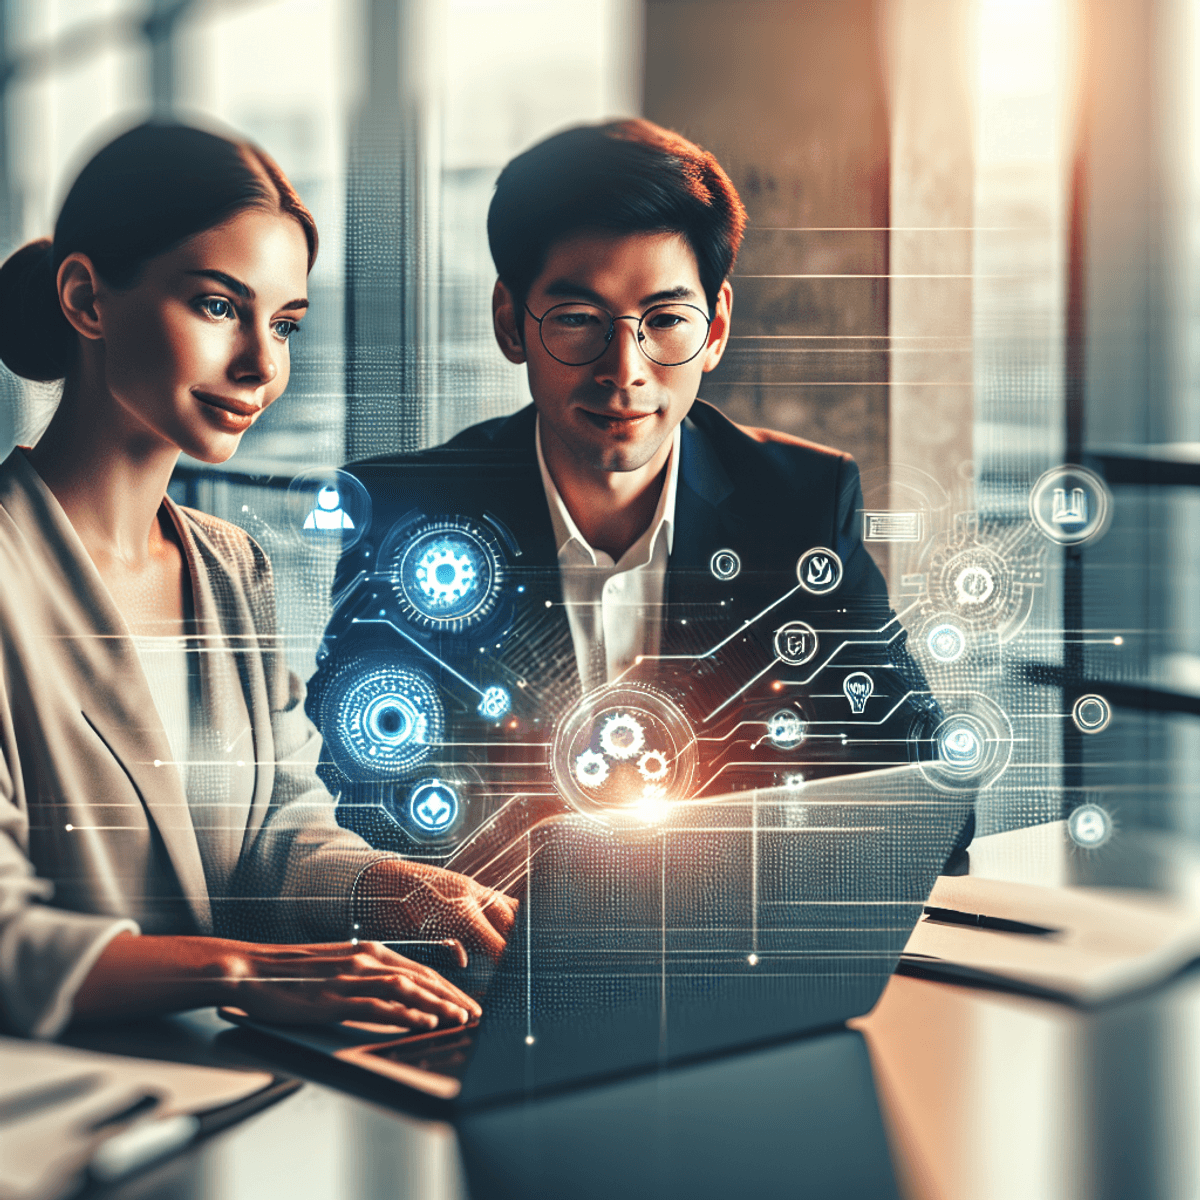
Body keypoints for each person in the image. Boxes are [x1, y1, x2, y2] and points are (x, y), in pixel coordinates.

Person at [311, 120, 967, 880]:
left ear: (715, 329)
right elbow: (359, 801)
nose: (625, 369)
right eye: (580, 320)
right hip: (496, 954)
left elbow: (924, 797)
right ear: (509, 322)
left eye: (664, 321)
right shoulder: (409, 514)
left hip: (732, 949)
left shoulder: (800, 505)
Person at [0, 121, 515, 1039]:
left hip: (226, 1092)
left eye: (283, 323)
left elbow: (277, 829)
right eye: (216, 306)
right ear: (85, 298)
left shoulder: (232, 570)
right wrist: (245, 974)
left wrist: (394, 887)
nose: (262, 365)